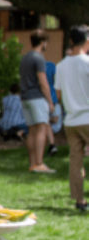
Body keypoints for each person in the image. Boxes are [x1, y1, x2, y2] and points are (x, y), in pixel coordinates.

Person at [55, 25, 89, 212]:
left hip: (71, 121)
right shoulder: (87, 63)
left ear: (70, 41)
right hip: (88, 117)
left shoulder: (61, 66)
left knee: (76, 161)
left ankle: (80, 201)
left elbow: (58, 95)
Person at [20, 29, 55, 173]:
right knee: (42, 128)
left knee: (32, 131)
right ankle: (40, 163)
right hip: (37, 98)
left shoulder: (25, 58)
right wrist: (50, 102)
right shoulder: (39, 58)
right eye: (46, 41)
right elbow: (43, 82)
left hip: (25, 98)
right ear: (42, 42)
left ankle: (32, 164)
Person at [46, 58, 61, 155]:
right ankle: (52, 146)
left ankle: (52, 146)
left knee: (44, 124)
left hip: (43, 98)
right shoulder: (51, 65)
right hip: (52, 98)